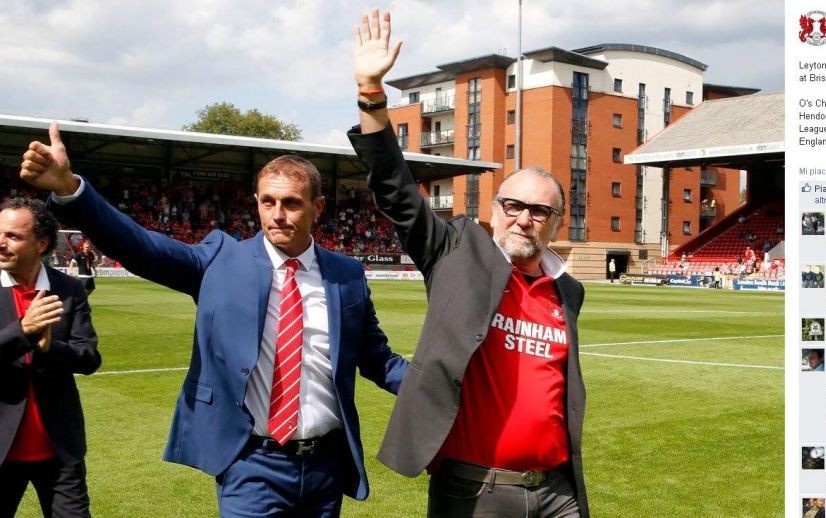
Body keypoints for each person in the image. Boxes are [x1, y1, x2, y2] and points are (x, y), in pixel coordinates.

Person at [20, 123, 407, 516]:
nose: (277, 215)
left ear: (317, 207)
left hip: (326, 466)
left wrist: (435, 388)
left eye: (291, 203)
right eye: (267, 202)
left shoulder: (345, 275)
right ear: (256, 202)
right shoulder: (220, 259)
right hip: (252, 464)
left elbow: (378, 359)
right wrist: (71, 189)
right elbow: (141, 247)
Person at [349, 9, 588, 517]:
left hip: (557, 492)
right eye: (513, 205)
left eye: (539, 211)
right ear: (495, 210)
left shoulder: (567, 290)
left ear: (556, 222)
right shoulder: (455, 251)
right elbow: (396, 191)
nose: (523, 219)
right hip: (476, 491)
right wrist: (371, 93)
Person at [0, 198, 100, 517]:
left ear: (41, 243)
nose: (1, 243)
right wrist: (22, 331)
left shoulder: (68, 289)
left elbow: (89, 358)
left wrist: (49, 348)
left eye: (13, 236)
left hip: (60, 451)